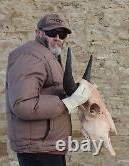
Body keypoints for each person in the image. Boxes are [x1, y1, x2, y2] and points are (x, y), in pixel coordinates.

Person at [5, 13, 91, 166]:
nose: (58, 37)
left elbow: (49, 91)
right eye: (52, 33)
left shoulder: (47, 55)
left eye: (62, 34)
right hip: (38, 151)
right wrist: (67, 104)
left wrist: (74, 91)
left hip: (49, 146)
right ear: (38, 32)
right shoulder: (30, 55)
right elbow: (22, 105)